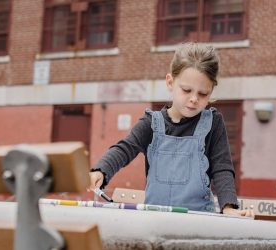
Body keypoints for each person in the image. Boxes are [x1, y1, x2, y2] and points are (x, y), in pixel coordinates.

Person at [89, 42, 253, 217]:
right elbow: (125, 148)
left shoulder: (213, 123)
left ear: (211, 90)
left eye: (203, 94)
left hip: (199, 219)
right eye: (186, 90)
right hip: (154, 217)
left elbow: (222, 168)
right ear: (170, 82)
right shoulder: (151, 123)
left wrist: (229, 207)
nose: (194, 99)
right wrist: (102, 169)